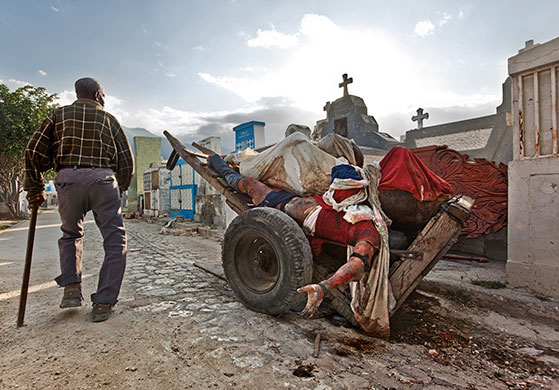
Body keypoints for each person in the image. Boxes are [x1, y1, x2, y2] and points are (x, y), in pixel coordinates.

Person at [209, 145, 453, 327]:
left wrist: (325, 287)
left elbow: (357, 264)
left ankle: (217, 163)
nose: (335, 191)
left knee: (249, 185)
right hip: (289, 201)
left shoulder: (366, 224)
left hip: (283, 209)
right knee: (250, 183)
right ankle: (218, 162)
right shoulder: (344, 203)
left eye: (342, 188)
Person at [24, 78, 134, 322]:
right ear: (97, 95)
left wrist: (35, 186)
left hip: (67, 179)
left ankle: (72, 289)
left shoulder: (58, 115)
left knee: (71, 234)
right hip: (103, 180)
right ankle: (104, 302)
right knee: (116, 242)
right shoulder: (109, 119)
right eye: (103, 94)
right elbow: (126, 159)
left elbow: (33, 151)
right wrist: (121, 187)